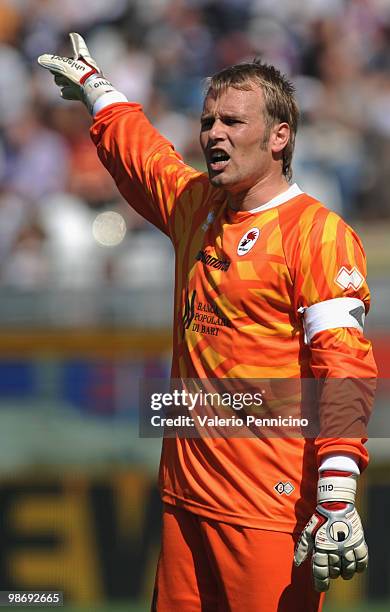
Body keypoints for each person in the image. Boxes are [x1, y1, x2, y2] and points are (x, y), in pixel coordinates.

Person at [38, 34, 377, 612]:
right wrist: (98, 90)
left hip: (267, 508)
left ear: (279, 137)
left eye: (233, 122)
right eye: (208, 120)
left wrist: (339, 488)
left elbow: (343, 365)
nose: (214, 133)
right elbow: (144, 157)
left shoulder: (318, 234)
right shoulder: (198, 204)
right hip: (185, 496)